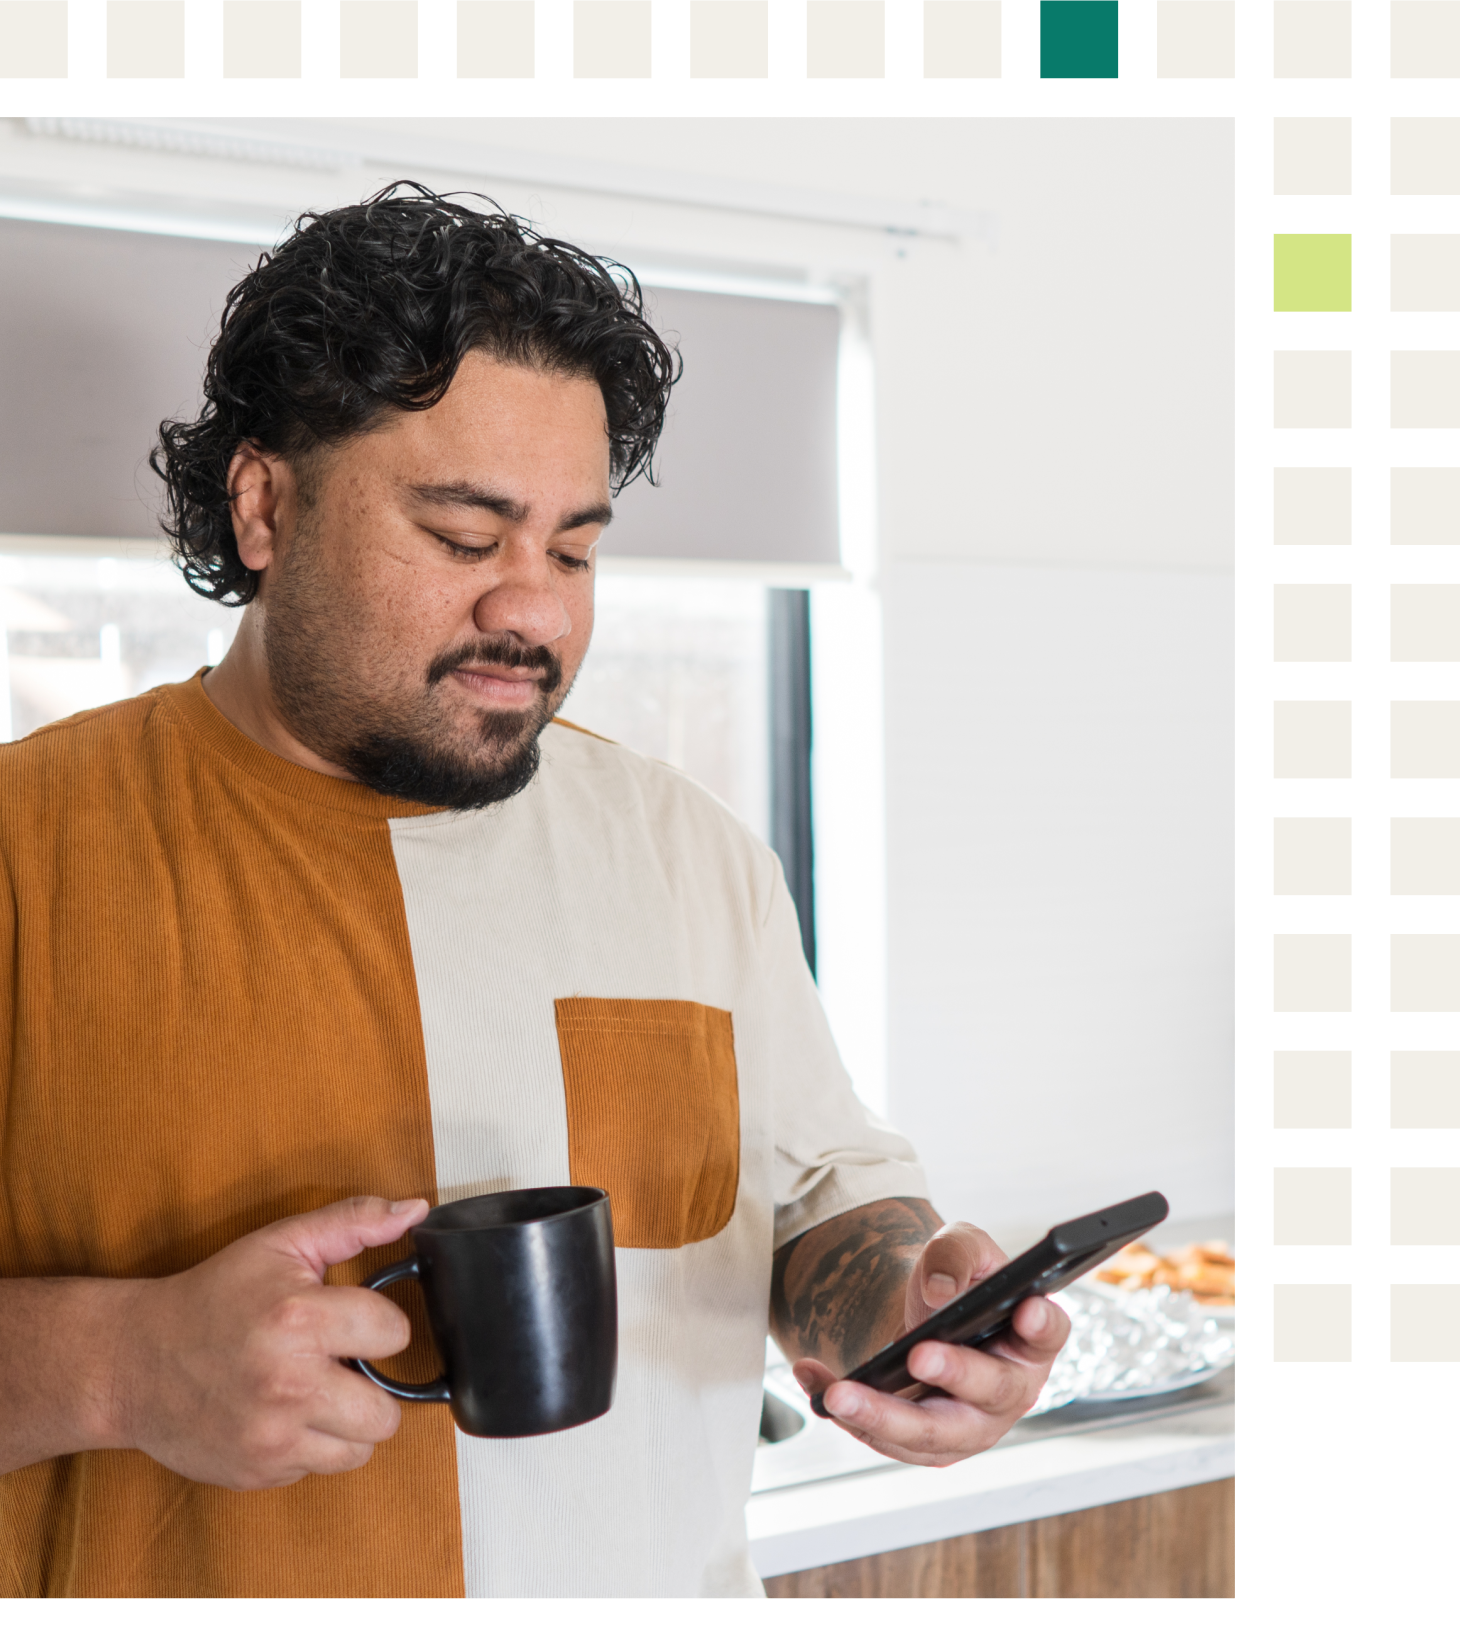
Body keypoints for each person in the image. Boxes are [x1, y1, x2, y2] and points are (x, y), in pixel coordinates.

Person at [0, 181, 1070, 1598]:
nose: (538, 609)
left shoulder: (687, 853)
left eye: (574, 546)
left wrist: (909, 1312)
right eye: (463, 538)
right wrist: (115, 1368)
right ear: (265, 506)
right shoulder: (30, 848)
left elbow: (819, 1200)